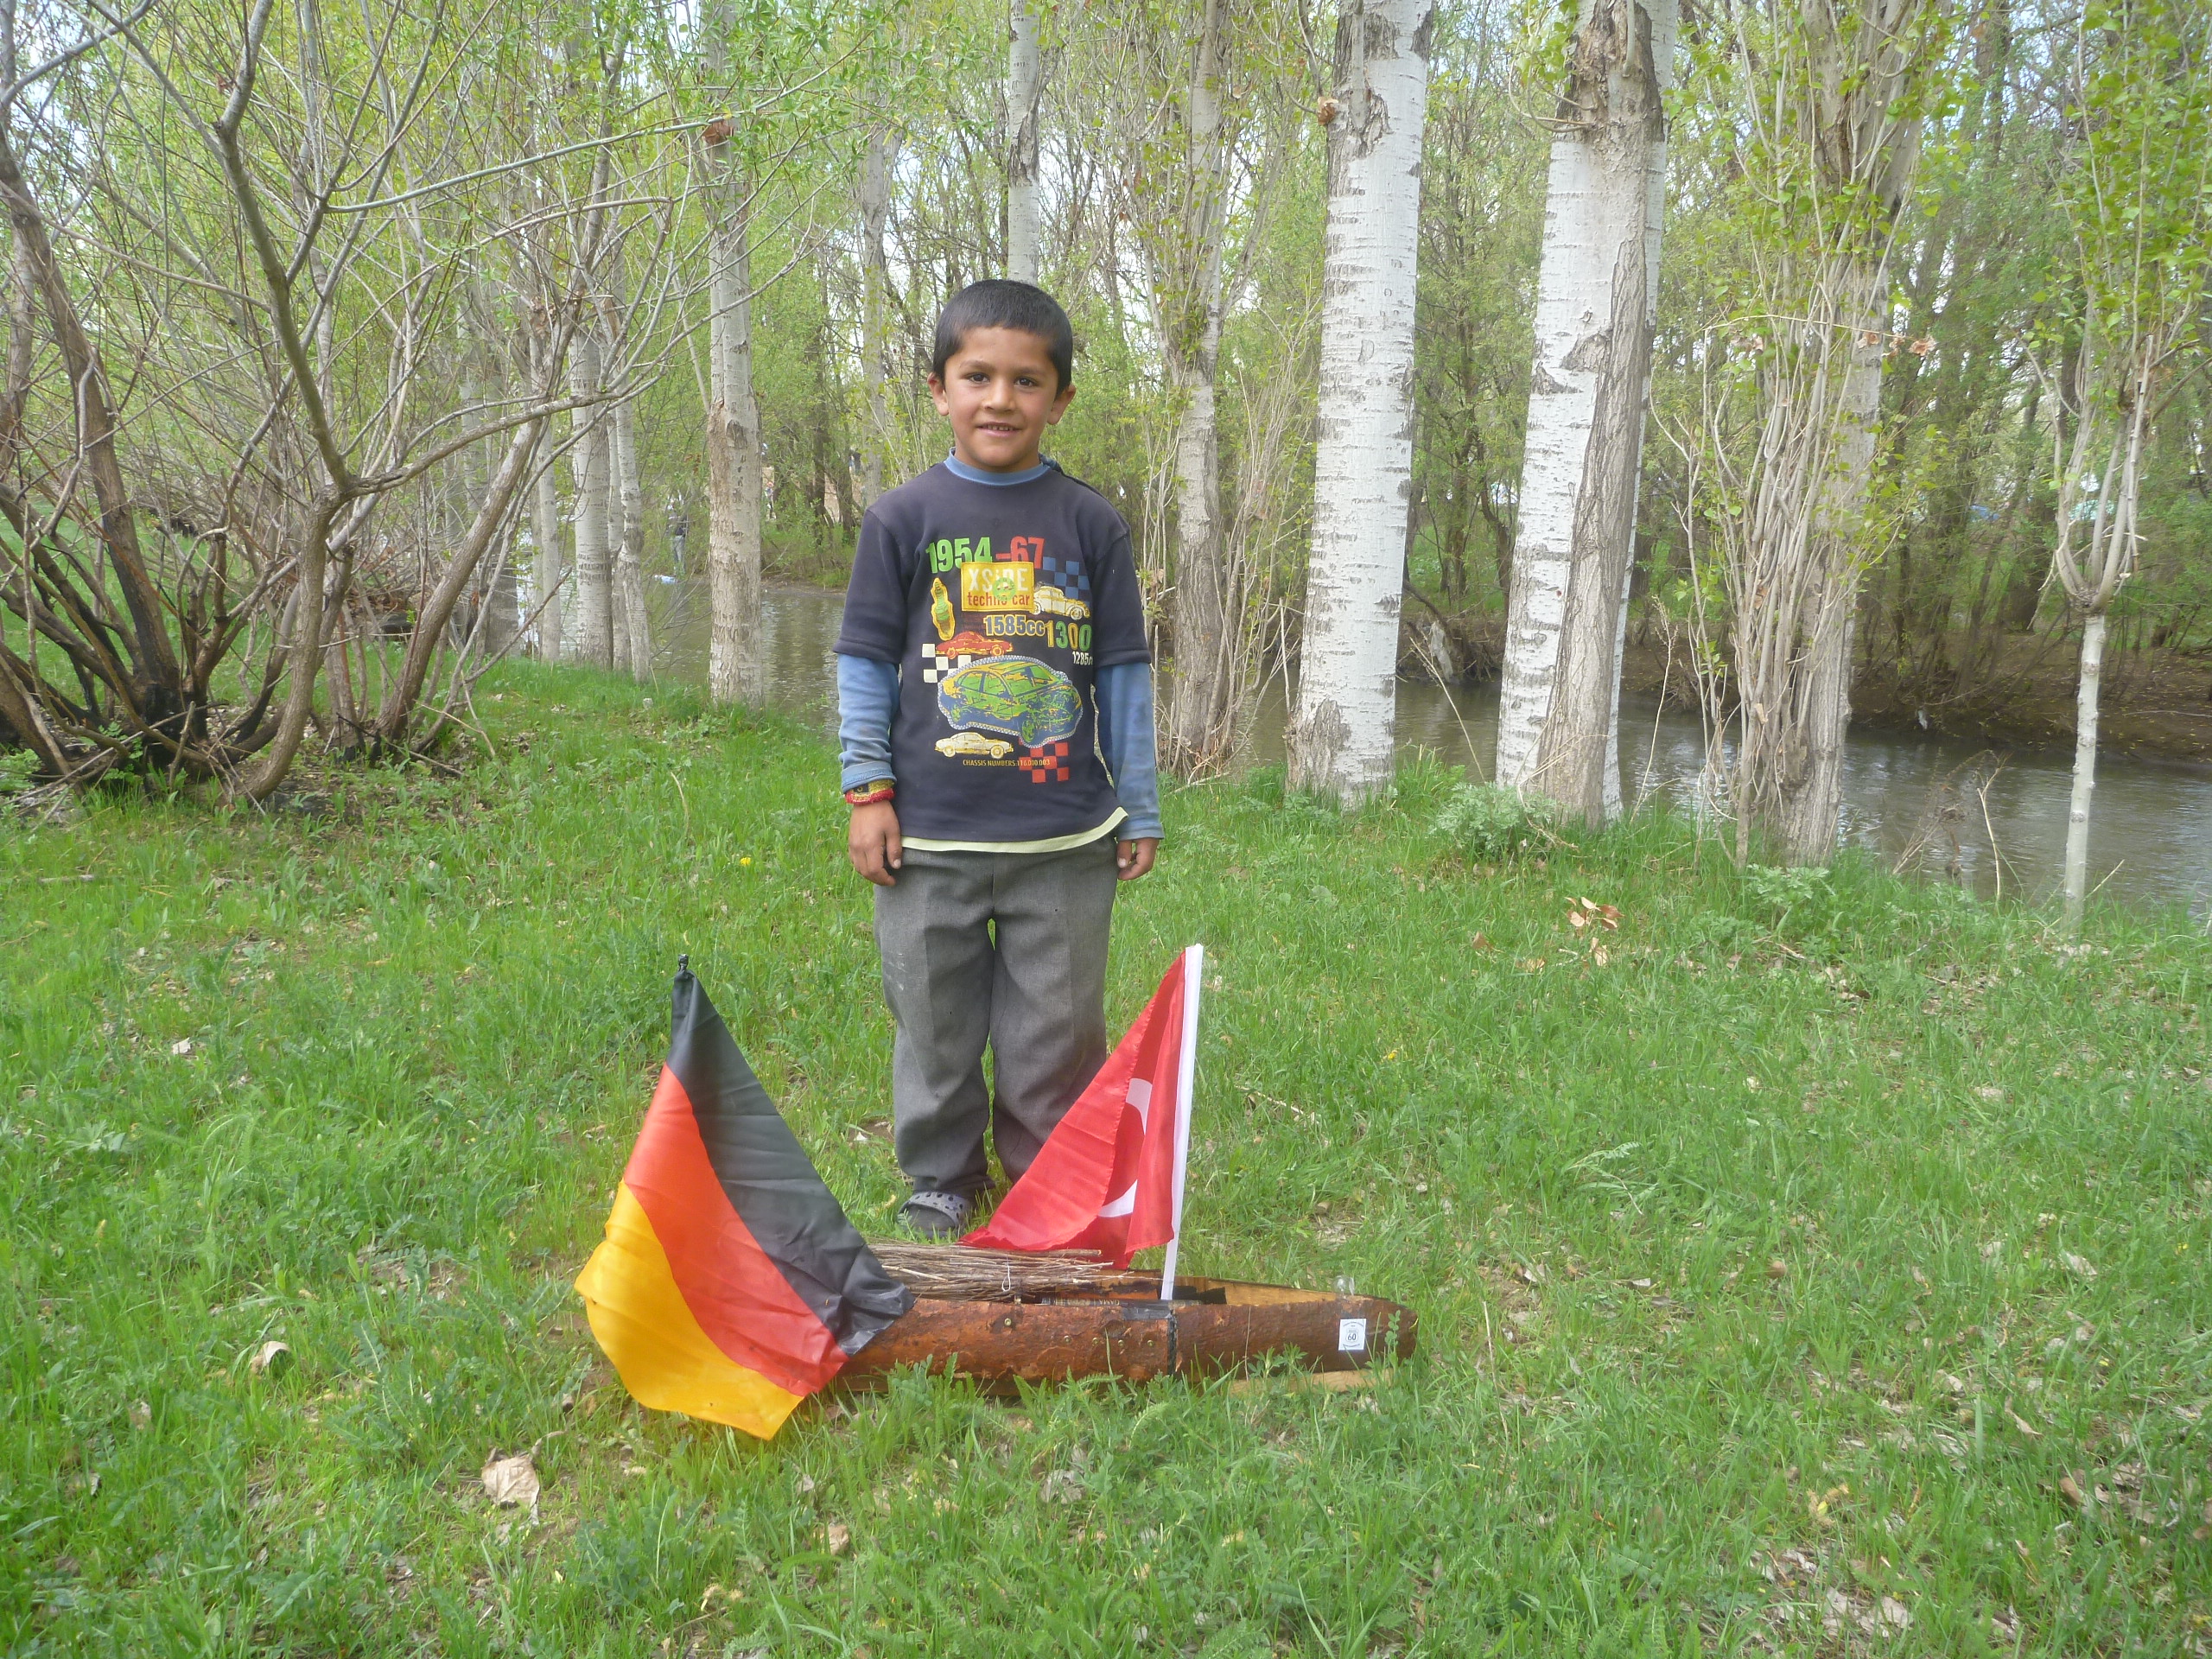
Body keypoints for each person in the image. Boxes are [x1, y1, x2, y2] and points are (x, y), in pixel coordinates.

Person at [834, 280, 1162, 1238]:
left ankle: (1043, 1180)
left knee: (1055, 1031)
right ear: (938, 388)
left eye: (1027, 381)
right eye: (977, 377)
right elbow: (863, 664)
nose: (1000, 400)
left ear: (1061, 399)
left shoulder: (1090, 524)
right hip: (927, 840)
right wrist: (867, 789)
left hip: (1062, 841)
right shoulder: (903, 519)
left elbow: (1123, 676)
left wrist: (1138, 805)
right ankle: (941, 1176)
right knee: (932, 1021)